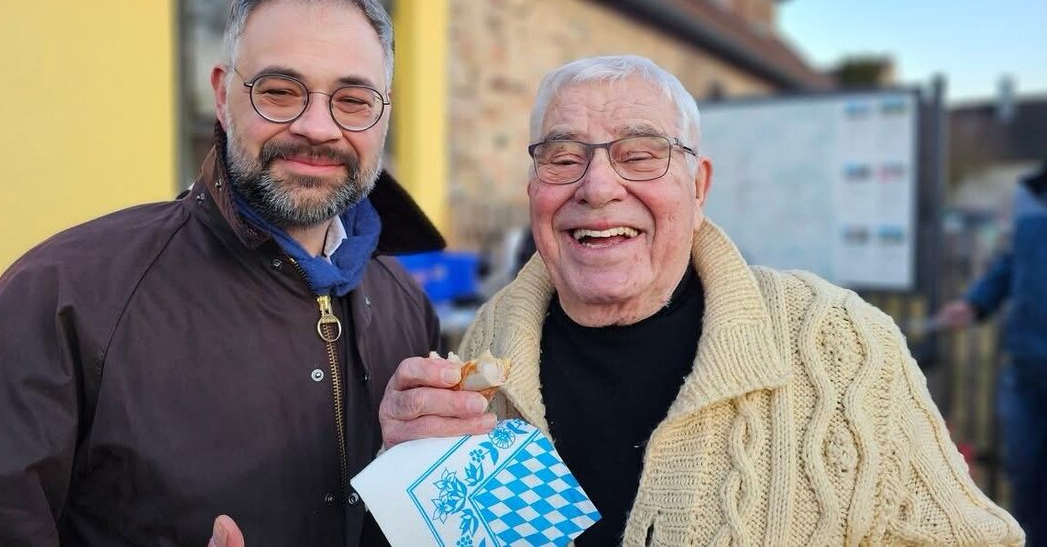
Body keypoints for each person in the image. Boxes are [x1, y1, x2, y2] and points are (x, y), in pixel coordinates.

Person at [378, 56, 1024, 546]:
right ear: (533, 188)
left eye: (640, 154)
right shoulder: (488, 346)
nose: (598, 186)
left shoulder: (842, 345)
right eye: (563, 157)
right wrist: (406, 479)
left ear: (699, 185)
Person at [0, 0, 444, 546]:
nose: (317, 126)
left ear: (383, 116)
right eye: (280, 92)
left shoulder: (409, 308)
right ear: (221, 95)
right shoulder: (64, 295)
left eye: (354, 100)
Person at [935, 160, 1047, 546]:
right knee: (1026, 475)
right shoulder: (1030, 194)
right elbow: (1012, 262)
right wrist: (976, 303)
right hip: (1026, 366)